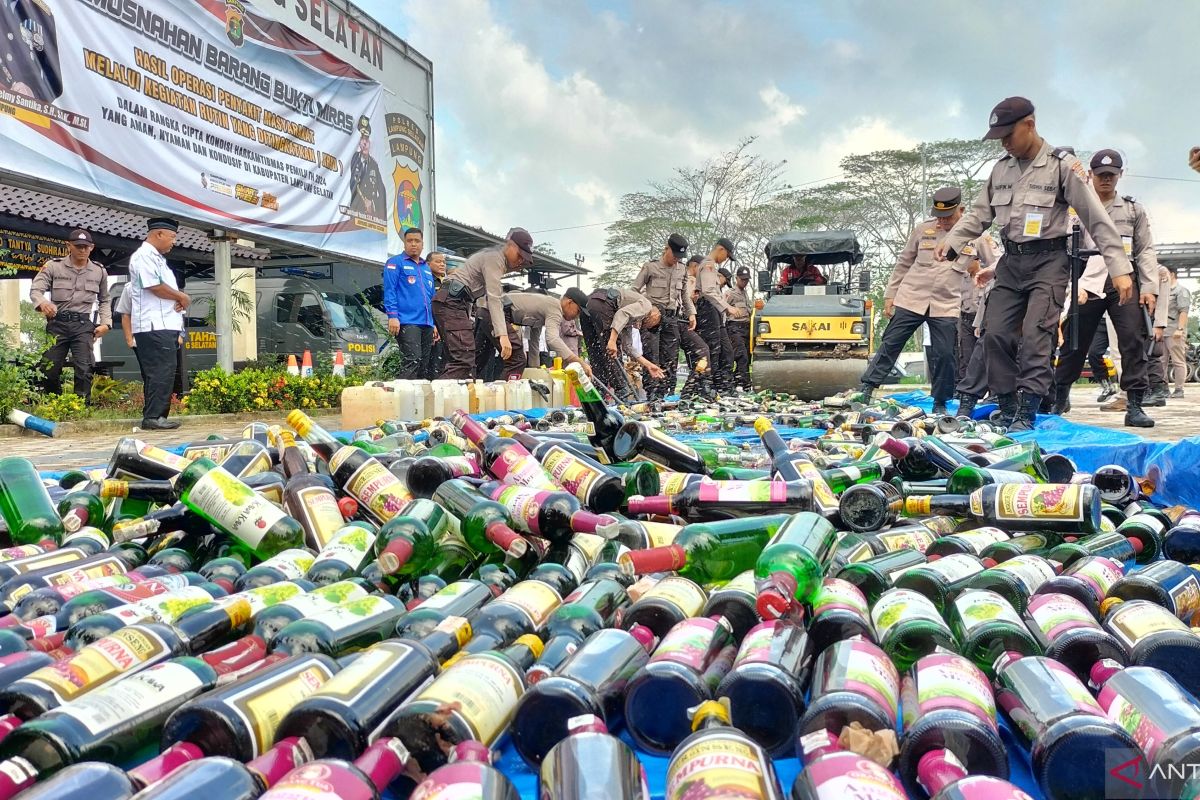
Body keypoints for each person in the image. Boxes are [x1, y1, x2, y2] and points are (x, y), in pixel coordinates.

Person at [936, 97, 1134, 431]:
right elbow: (979, 214)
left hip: (1050, 262)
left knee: (1036, 334)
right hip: (1012, 263)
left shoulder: (1061, 166)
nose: (1004, 143)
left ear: (1029, 125)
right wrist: (952, 240)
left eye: (1008, 135)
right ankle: (1008, 402)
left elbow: (1095, 218)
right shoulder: (1001, 169)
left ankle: (1027, 411)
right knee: (995, 333)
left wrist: (1119, 267)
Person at [1046, 149, 1159, 427]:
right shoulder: (1076, 207)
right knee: (1074, 341)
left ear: (1120, 175)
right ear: (1092, 175)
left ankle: (1134, 404)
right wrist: (1070, 288)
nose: (1106, 180)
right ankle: (1061, 396)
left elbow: (1145, 251)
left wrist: (1150, 288)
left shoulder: (1133, 209)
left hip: (1124, 281)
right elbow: (1064, 248)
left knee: (1133, 340)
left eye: (1111, 175)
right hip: (1086, 281)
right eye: (1100, 175)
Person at [858, 188, 984, 415]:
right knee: (891, 343)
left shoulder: (975, 236)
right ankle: (867, 388)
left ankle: (940, 401)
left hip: (945, 304)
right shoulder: (922, 230)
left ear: (961, 210)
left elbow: (989, 263)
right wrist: (890, 295)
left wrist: (981, 271)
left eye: (949, 216)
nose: (943, 221)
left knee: (945, 353)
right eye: (939, 216)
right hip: (911, 297)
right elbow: (903, 263)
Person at [431, 228, 534, 379]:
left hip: (452, 302)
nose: (520, 261)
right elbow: (494, 298)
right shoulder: (495, 259)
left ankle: (446, 396)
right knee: (464, 361)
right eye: (519, 255)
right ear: (510, 245)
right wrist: (502, 335)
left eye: (524, 260)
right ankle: (434, 399)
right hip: (451, 302)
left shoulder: (497, 261)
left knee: (460, 360)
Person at [28, 229, 110, 402]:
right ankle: (54, 403)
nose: (82, 250)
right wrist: (43, 303)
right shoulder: (53, 266)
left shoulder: (99, 271)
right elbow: (36, 289)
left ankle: (81, 408)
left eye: (86, 247)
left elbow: (105, 299)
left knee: (84, 369)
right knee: (48, 368)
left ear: (92, 247)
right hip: (58, 323)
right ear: (69, 246)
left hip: (83, 325)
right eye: (78, 246)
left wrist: (106, 323)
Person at [127, 218, 189, 430]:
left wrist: (178, 301)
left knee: (166, 370)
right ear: (159, 234)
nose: (174, 242)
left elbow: (164, 292)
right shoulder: (143, 256)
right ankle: (153, 417)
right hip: (153, 326)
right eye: (172, 237)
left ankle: (158, 415)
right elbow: (154, 286)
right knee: (159, 371)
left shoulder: (158, 259)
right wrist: (181, 296)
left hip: (165, 324)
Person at [631, 233, 694, 401]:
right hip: (651, 318)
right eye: (674, 255)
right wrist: (642, 310)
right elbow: (634, 291)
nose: (676, 259)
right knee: (652, 355)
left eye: (680, 257)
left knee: (670, 358)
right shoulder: (650, 267)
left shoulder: (682, 269)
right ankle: (652, 395)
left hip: (671, 317)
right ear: (666, 249)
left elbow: (685, 294)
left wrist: (691, 313)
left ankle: (667, 394)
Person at [579, 287, 664, 403]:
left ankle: (599, 398)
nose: (646, 328)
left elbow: (627, 346)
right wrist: (612, 340)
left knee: (596, 355)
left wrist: (648, 364)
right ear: (656, 316)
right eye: (652, 325)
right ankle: (622, 396)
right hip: (604, 303)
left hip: (589, 307)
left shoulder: (630, 319)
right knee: (612, 354)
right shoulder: (646, 306)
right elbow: (622, 313)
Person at [384, 227, 435, 379]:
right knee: (413, 359)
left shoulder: (426, 267)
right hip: (406, 321)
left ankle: (417, 400)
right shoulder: (395, 263)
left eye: (417, 241)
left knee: (424, 364)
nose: (413, 244)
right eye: (410, 241)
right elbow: (390, 291)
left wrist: (434, 323)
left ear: (422, 244)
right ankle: (401, 398)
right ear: (404, 243)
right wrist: (392, 316)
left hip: (426, 323)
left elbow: (430, 297)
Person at [696, 238, 746, 394]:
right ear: (720, 249)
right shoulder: (708, 265)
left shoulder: (713, 267)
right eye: (727, 256)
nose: (725, 260)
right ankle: (707, 386)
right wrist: (728, 307)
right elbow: (708, 291)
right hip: (707, 310)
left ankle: (722, 385)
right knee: (713, 350)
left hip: (715, 312)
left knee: (725, 350)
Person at [502, 288, 590, 376]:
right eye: (578, 311)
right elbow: (552, 339)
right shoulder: (555, 308)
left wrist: (535, 371)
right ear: (569, 302)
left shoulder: (543, 310)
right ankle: (499, 389)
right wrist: (579, 362)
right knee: (518, 360)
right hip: (499, 310)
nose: (577, 316)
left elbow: (534, 341)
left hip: (500, 311)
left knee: (492, 357)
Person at [955, 234, 996, 384]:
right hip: (965, 319)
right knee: (965, 356)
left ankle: (991, 389)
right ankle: (964, 388)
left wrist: (980, 323)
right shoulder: (961, 277)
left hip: (981, 320)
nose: (965, 264)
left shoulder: (988, 276)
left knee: (986, 355)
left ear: (977, 260)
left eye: (969, 260)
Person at [1163, 265, 1191, 398]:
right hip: (1162, 331)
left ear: (1172, 274)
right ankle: (1162, 388)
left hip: (1174, 331)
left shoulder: (1181, 291)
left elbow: (1183, 311)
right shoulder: (1163, 291)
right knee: (1160, 361)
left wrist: (1180, 329)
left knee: (1177, 360)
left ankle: (1179, 389)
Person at [725, 266, 754, 390]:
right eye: (742, 279)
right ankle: (743, 383)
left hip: (747, 328)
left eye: (747, 280)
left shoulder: (745, 294)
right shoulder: (730, 293)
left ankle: (738, 381)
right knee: (741, 356)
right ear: (736, 278)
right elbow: (721, 305)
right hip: (734, 328)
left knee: (748, 357)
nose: (745, 282)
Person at [423, 252, 447, 379]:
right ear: (428, 264)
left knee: (445, 362)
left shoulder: (447, 282)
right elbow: (428, 304)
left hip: (446, 327)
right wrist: (432, 325)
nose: (442, 264)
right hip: (432, 325)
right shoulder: (427, 280)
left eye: (444, 262)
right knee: (433, 364)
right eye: (438, 261)